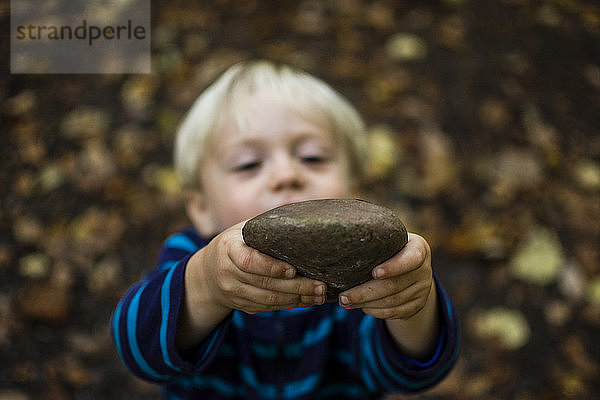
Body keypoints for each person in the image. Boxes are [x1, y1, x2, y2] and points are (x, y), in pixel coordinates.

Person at [111, 60, 459, 399]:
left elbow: (412, 375)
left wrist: (411, 302)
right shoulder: (189, 255)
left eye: (312, 157)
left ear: (353, 194)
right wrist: (205, 284)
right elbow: (139, 354)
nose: (286, 175)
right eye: (248, 164)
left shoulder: (363, 278)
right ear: (201, 208)